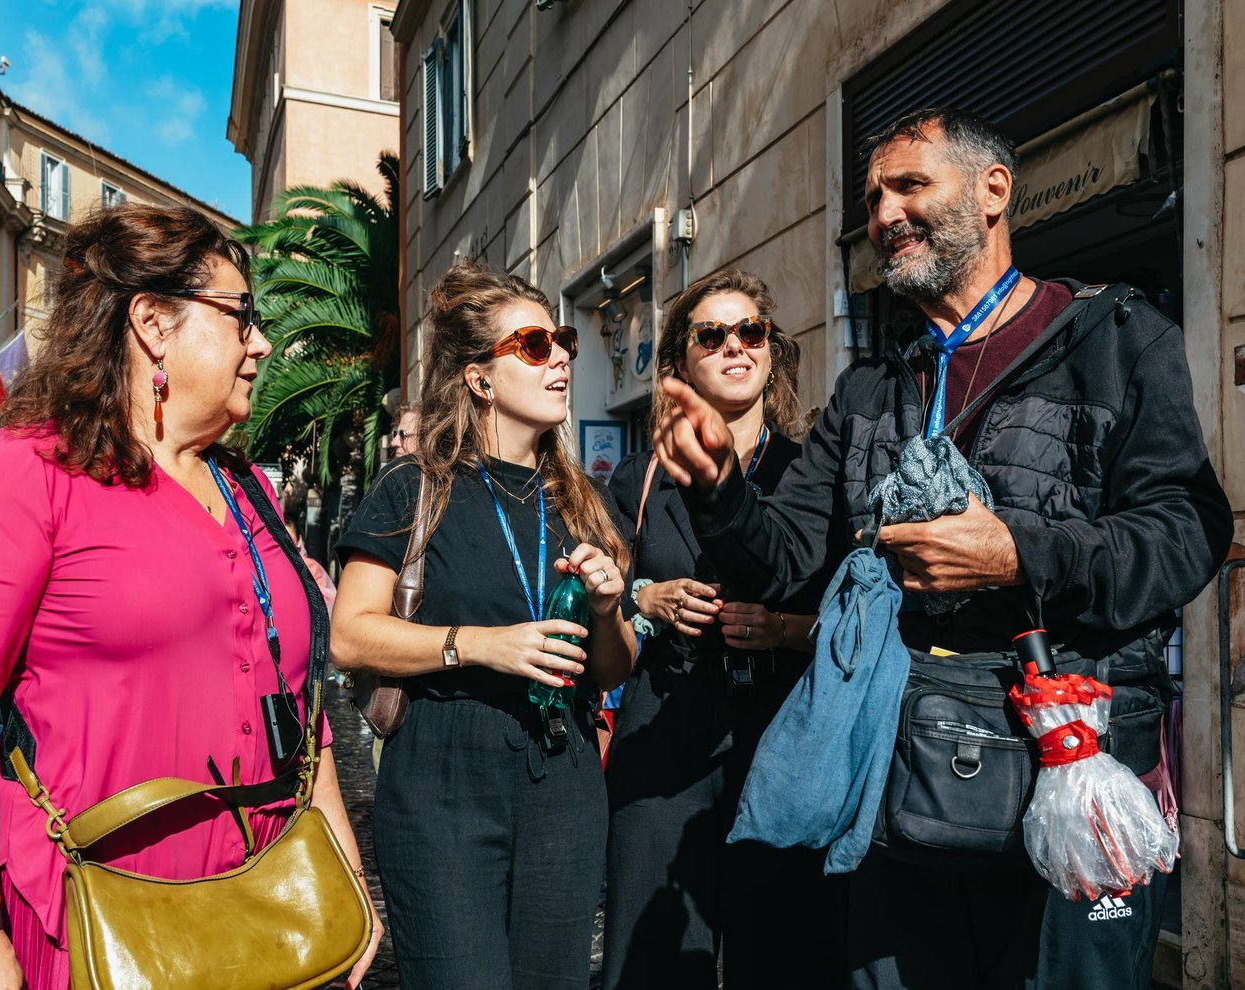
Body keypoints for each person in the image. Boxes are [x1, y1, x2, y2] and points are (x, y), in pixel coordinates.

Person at [651, 108, 1232, 989]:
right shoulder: (871, 388)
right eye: (874, 195)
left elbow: (1187, 533)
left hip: (1071, 770)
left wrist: (1018, 556)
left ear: (993, 191)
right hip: (908, 785)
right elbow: (788, 561)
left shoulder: (1114, 339)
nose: (883, 213)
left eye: (909, 185)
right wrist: (720, 491)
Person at [0, 204, 381, 990]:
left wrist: (342, 865)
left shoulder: (247, 486)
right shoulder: (30, 472)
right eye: (240, 315)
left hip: (268, 915)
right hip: (100, 925)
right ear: (153, 321)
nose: (261, 342)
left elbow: (300, 704)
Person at [331, 260, 636, 990]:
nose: (562, 354)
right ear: (479, 378)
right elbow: (349, 633)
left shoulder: (583, 500)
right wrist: (478, 646)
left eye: (561, 340)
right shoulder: (414, 488)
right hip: (443, 775)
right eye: (534, 345)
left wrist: (605, 610)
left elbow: (614, 669)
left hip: (560, 774)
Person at [602, 269, 844, 989]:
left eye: (752, 331)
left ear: (770, 351)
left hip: (781, 741)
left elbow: (852, 622)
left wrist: (781, 628)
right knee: (651, 963)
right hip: (665, 740)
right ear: (681, 362)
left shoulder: (810, 476)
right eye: (714, 334)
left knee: (778, 956)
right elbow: (597, 602)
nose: (736, 345)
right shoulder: (640, 480)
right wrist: (649, 599)